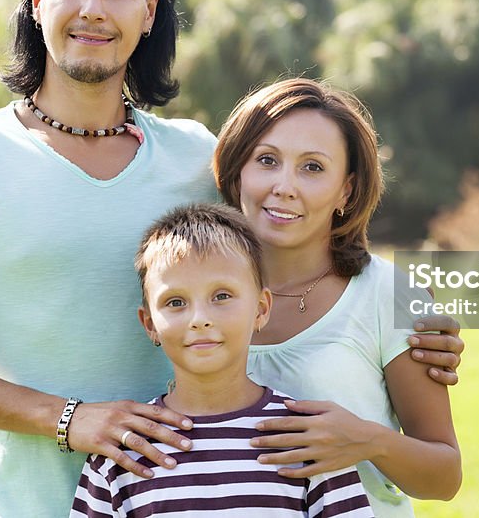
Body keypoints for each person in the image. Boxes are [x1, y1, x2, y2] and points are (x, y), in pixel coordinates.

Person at [0, 0, 462, 517]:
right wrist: (64, 421)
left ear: (148, 12)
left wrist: (421, 312)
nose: (94, 9)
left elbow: (301, 252)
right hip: (30, 503)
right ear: (36, 1)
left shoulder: (197, 158)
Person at [214, 78, 462, 515]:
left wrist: (368, 440)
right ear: (237, 173)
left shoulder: (393, 295)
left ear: (346, 190)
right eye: (267, 160)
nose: (284, 186)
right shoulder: (191, 295)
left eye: (313, 167)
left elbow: (444, 477)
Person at [72, 203, 375, 517]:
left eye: (221, 296)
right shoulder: (121, 454)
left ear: (260, 309)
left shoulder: (308, 440)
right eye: (175, 302)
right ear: (150, 324)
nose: (200, 319)